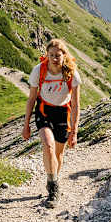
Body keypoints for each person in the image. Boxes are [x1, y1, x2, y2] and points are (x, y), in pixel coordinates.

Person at [22, 39, 81, 208]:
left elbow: (76, 105)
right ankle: (54, 189)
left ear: (64, 56)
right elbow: (31, 99)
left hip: (63, 113)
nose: (54, 58)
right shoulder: (38, 71)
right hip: (44, 110)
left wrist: (74, 132)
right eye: (51, 55)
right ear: (47, 55)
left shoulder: (72, 73)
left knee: (58, 155)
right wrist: (26, 125)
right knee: (48, 146)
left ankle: (52, 179)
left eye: (58, 55)